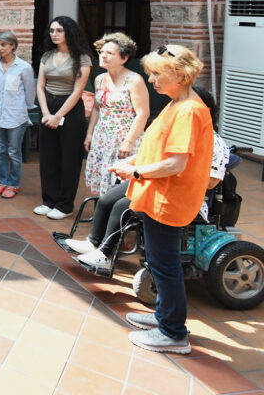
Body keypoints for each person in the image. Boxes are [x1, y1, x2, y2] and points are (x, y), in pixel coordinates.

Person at [108, 45, 213, 355]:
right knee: (158, 261)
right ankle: (163, 316)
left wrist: (136, 171)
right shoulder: (176, 103)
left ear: (179, 75)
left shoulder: (190, 110)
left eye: (156, 74)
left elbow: (176, 164)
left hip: (170, 199)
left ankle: (173, 332)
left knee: (165, 266)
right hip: (158, 196)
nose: (150, 80)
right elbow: (159, 149)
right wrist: (131, 166)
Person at [67, 86, 229, 273]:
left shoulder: (215, 142)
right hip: (154, 180)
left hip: (180, 195)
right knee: (108, 198)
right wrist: (129, 164)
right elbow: (154, 156)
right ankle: (93, 242)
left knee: (123, 206)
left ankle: (105, 253)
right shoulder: (176, 130)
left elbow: (210, 181)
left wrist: (145, 173)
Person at [34, 16, 92, 220]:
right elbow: (40, 86)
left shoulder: (82, 58)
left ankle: (64, 204)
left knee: (69, 158)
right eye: (52, 31)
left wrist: (58, 115)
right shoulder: (47, 55)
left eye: (59, 30)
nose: (55, 34)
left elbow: (77, 92)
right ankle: (48, 200)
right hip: (47, 106)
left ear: (69, 32)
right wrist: (46, 113)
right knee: (48, 156)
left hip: (70, 109)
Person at [83, 33, 150, 196]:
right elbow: (97, 108)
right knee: (102, 178)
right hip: (102, 137)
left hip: (123, 138)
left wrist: (128, 142)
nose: (103, 56)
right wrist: (90, 134)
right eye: (102, 52)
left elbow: (142, 114)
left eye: (110, 53)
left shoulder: (134, 80)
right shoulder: (99, 79)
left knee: (120, 183)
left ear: (124, 58)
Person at [0, 30, 35, 199]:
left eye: (3, 45)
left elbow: (30, 92)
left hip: (16, 115)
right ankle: (2, 182)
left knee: (14, 151)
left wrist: (23, 109)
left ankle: (13, 184)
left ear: (13, 45)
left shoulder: (24, 67)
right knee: (0, 150)